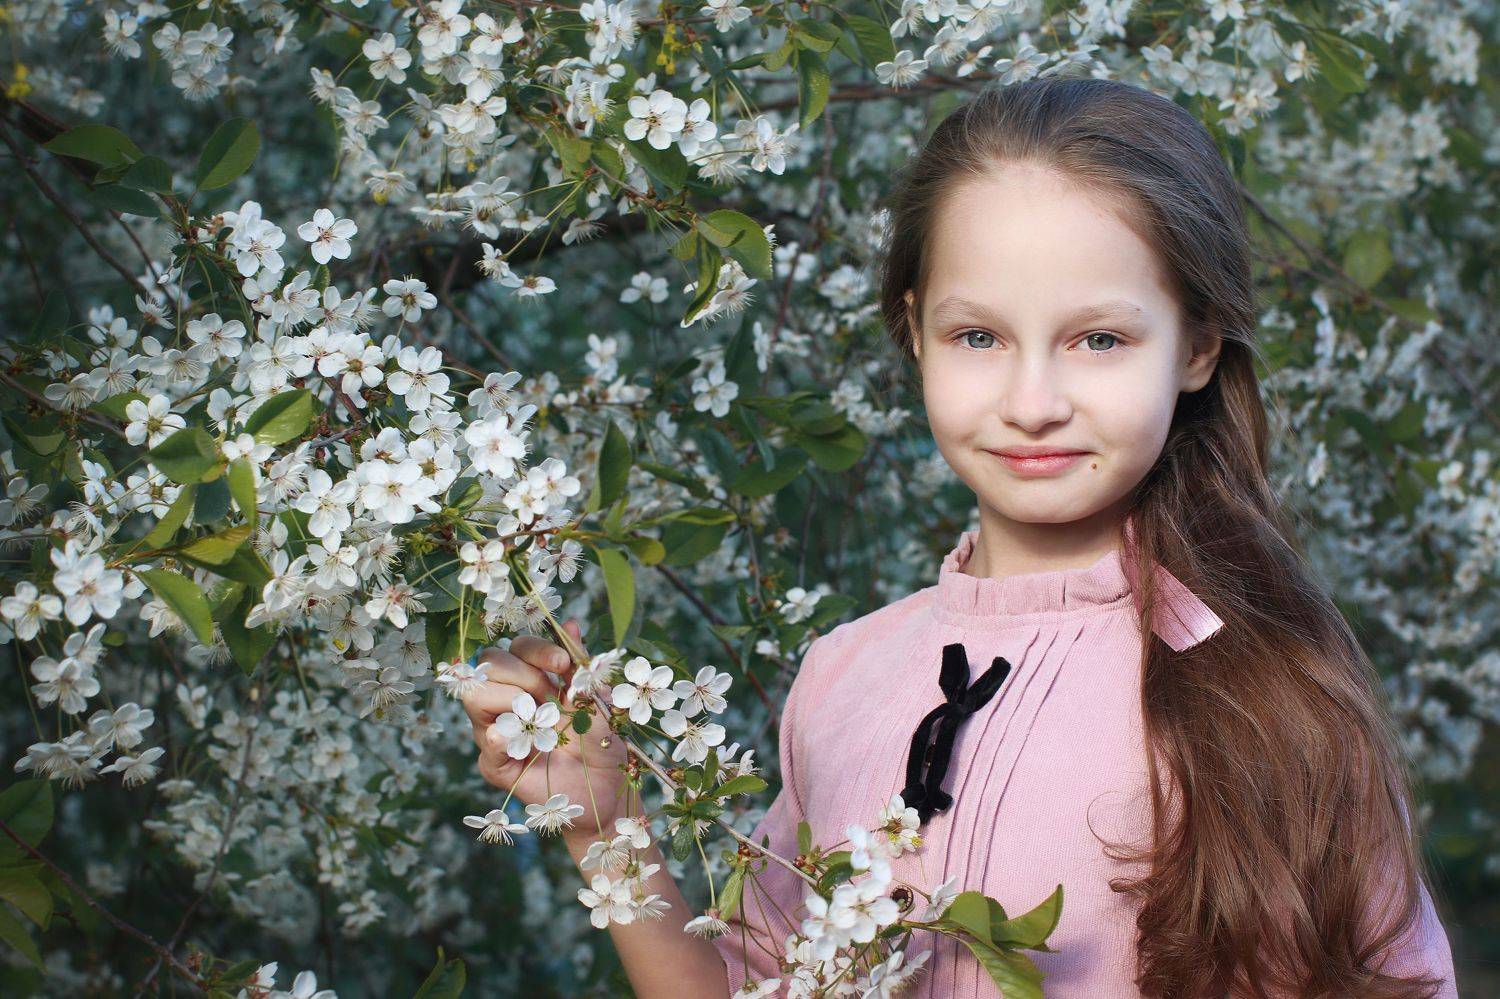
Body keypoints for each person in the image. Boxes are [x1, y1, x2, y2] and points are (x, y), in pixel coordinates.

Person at [460, 76, 1460, 998]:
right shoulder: (841, 677)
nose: (1033, 402)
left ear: (1196, 344)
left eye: (1099, 339)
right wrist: (607, 825)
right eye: (979, 336)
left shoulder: (1268, 699)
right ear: (914, 330)